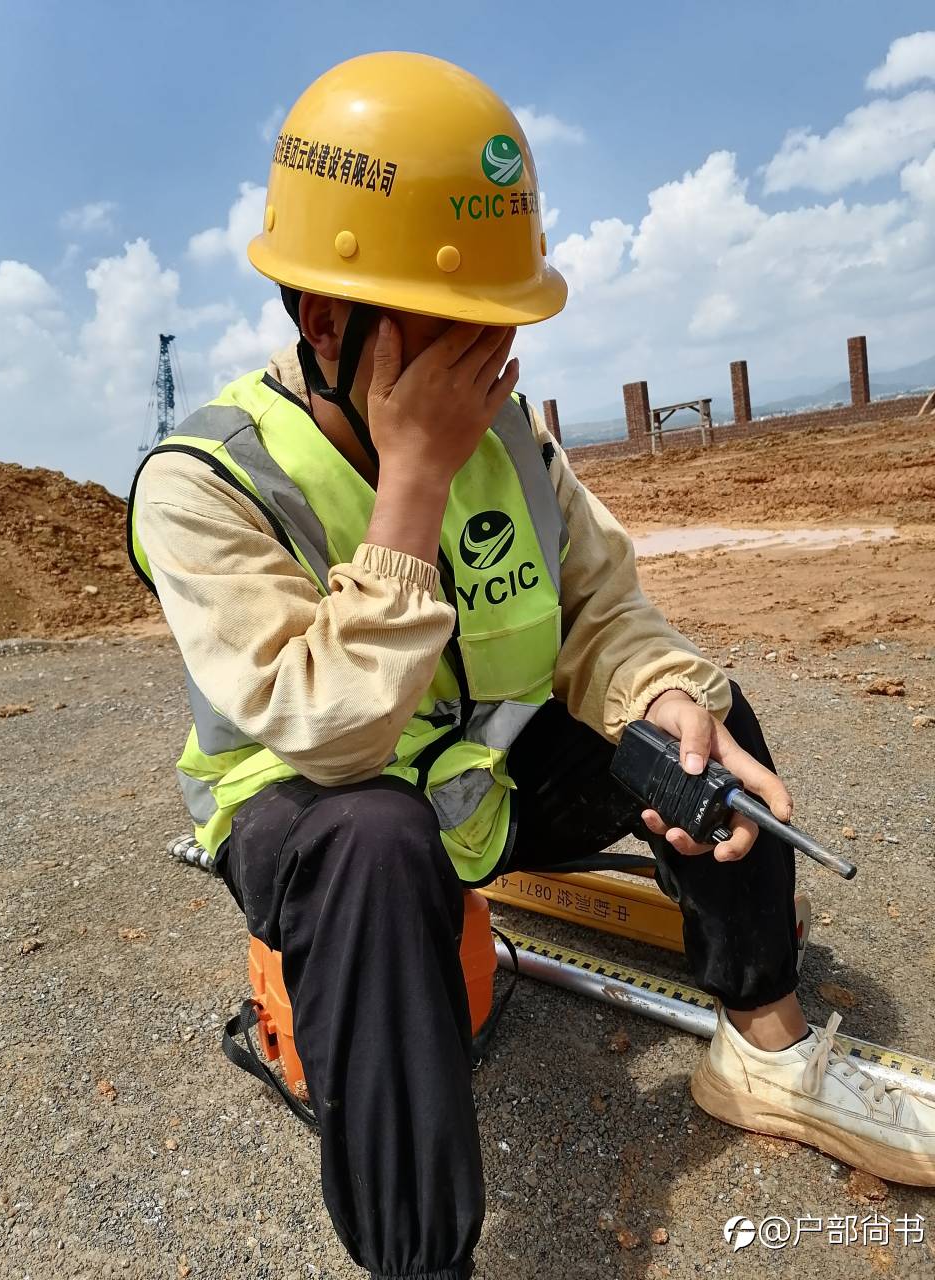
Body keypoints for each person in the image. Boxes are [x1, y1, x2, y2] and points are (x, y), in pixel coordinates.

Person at [129, 51, 935, 1280]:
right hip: (327, 825)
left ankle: (765, 1049)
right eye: (451, 319)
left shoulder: (512, 437)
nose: (491, 350)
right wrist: (410, 487)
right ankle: (422, 1260)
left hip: (488, 794)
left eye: (503, 314)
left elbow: (603, 609)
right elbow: (330, 738)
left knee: (697, 722)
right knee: (371, 838)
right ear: (327, 320)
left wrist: (662, 696)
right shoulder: (208, 482)